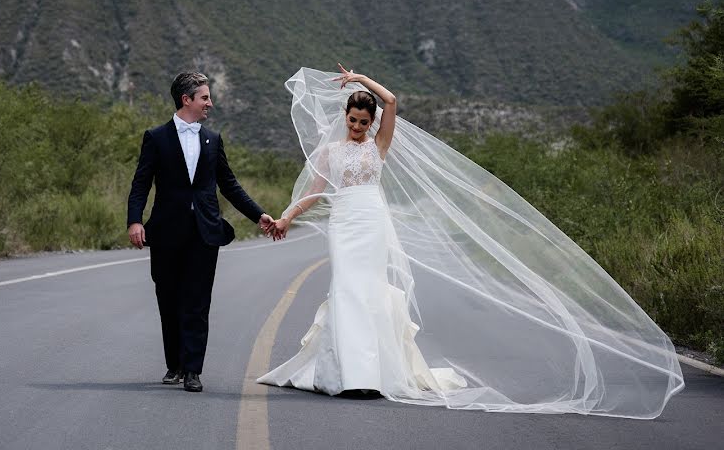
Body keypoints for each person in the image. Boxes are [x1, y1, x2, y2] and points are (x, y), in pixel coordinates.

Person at [258, 65, 684, 419]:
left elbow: (392, 102)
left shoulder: (380, 144)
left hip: (372, 220)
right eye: (352, 121)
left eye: (362, 123)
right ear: (344, 117)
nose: (355, 128)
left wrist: (362, 79)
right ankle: (346, 375)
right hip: (344, 221)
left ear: (371, 125)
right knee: (347, 289)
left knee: (367, 291)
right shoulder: (331, 151)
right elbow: (314, 190)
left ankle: (368, 377)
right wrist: (287, 217)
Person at [128, 72, 275, 393]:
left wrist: (259, 214)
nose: (210, 103)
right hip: (166, 232)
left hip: (204, 233)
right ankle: (175, 364)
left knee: (197, 301)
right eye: (205, 97)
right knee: (168, 298)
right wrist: (134, 221)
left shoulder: (213, 139)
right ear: (187, 100)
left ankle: (193, 369)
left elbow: (230, 184)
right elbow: (141, 183)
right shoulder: (156, 137)